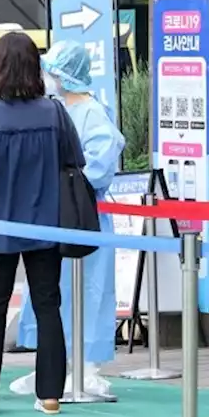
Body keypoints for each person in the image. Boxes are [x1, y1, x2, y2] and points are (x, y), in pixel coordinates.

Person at [0, 33, 85, 415]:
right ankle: (50, 394)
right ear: (36, 68)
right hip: (48, 224)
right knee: (49, 305)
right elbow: (74, 161)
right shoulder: (54, 112)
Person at [13, 40, 126, 386]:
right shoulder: (55, 108)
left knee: (89, 289)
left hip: (81, 214)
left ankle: (88, 366)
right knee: (50, 289)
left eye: (52, 71)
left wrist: (65, 183)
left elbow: (102, 162)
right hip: (54, 213)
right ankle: (52, 360)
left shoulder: (91, 112)